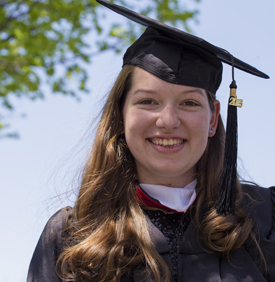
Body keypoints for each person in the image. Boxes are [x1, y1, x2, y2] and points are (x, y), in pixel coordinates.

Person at [27, 1, 275, 281]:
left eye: (189, 103)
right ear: (120, 116)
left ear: (213, 120)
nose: (168, 120)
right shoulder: (72, 237)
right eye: (147, 101)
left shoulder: (266, 219)